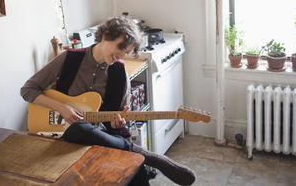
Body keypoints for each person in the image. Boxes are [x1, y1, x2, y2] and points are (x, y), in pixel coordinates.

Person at [21, 16, 196, 185]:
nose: (120, 56)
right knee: (80, 128)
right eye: (120, 47)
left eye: (126, 52)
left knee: (135, 170)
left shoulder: (120, 73)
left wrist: (116, 123)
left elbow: (117, 122)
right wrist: (62, 107)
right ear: (105, 36)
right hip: (63, 134)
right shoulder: (70, 58)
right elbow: (27, 89)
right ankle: (152, 158)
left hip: (103, 137)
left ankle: (140, 157)